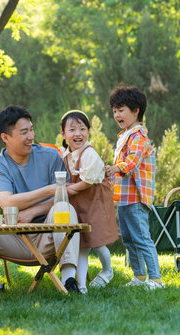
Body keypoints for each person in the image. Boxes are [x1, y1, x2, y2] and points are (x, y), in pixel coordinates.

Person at [0, 105, 81, 293]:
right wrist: (49, 189)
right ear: (5, 138)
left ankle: (69, 281)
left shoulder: (50, 156)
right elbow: (7, 202)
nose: (31, 136)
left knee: (65, 209)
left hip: (49, 235)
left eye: (32, 129)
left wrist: (33, 211)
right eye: (24, 132)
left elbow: (65, 195)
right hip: (14, 238)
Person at [105, 85, 164, 289]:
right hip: (123, 198)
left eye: (121, 110)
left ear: (136, 110)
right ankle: (139, 277)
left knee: (142, 238)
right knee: (129, 240)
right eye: (114, 111)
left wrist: (114, 169)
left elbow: (132, 163)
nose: (116, 114)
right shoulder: (124, 135)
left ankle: (155, 279)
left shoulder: (138, 136)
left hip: (136, 198)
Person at [59, 110, 119, 294]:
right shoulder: (66, 153)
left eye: (82, 129)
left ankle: (108, 270)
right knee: (82, 245)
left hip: (95, 201)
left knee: (98, 241)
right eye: (72, 129)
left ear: (88, 132)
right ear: (63, 133)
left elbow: (86, 183)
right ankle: (82, 287)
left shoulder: (89, 154)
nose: (78, 134)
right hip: (80, 203)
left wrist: (65, 190)